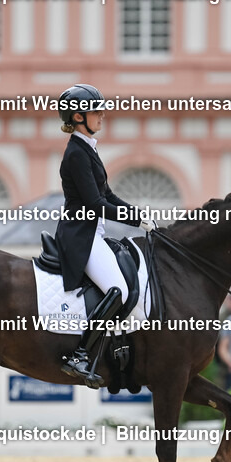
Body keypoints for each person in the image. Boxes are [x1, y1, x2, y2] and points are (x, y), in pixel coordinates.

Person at [53, 83, 154, 386]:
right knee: (119, 290)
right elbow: (96, 204)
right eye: (96, 111)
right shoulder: (76, 153)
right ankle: (80, 354)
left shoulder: (88, 149)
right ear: (79, 115)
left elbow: (108, 194)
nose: (102, 116)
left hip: (93, 232)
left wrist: (138, 215)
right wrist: (134, 219)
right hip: (80, 236)